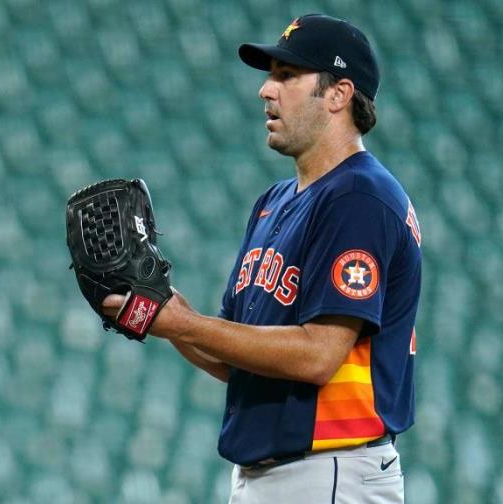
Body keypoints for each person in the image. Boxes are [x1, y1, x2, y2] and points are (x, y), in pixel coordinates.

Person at [104, 13, 421, 503]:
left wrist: (181, 324)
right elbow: (235, 357)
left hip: (330, 472)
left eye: (287, 76)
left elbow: (318, 355)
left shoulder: (359, 197)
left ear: (338, 94)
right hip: (268, 478)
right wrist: (156, 307)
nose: (266, 90)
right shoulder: (274, 202)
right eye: (271, 74)